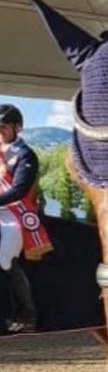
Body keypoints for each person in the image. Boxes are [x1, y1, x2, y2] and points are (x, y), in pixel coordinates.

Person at [0, 102, 50, 331]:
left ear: (17, 128)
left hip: (16, 213)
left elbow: (18, 191)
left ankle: (28, 315)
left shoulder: (25, 155)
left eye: (3, 127)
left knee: (5, 258)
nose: (0, 131)